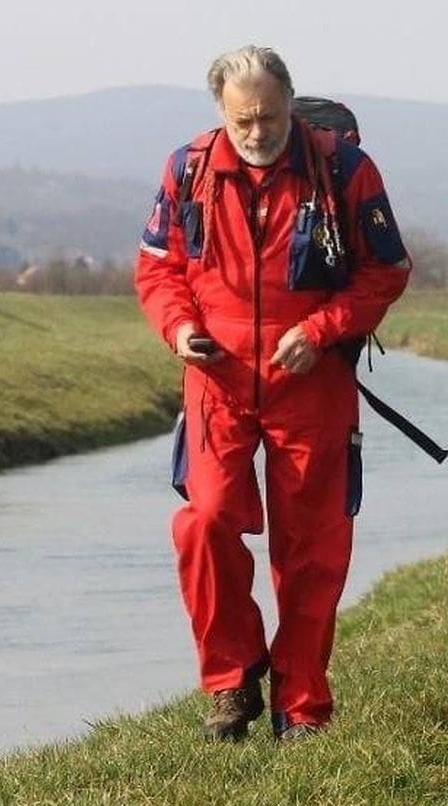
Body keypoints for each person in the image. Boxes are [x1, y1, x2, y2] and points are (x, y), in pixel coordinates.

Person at [134, 46, 412, 742]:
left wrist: (322, 330)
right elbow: (157, 269)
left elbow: (386, 271)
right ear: (221, 114)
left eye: (269, 115)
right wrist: (178, 329)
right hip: (216, 382)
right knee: (203, 526)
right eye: (243, 119)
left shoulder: (345, 171)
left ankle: (303, 705)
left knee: (312, 550)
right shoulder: (187, 171)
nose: (257, 132)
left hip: (309, 382)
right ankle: (231, 683)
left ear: (291, 101)